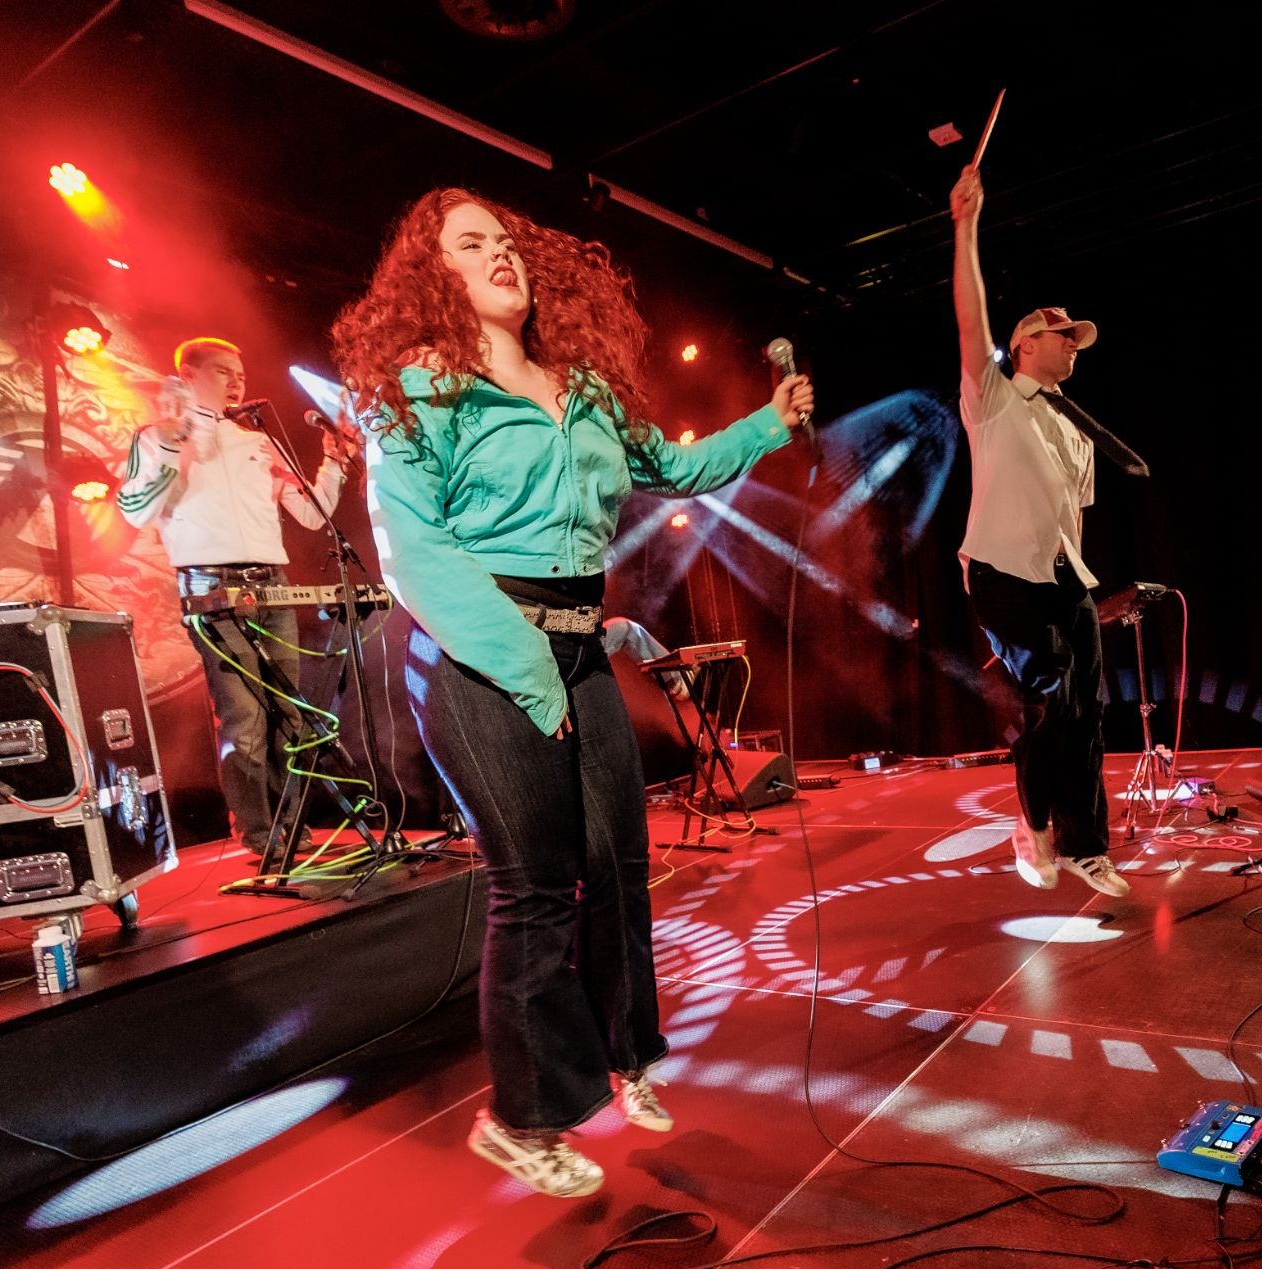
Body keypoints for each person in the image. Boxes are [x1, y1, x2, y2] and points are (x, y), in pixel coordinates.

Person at [333, 188, 813, 1198]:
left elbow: (676, 468)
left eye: (506, 240)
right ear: (433, 275)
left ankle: (627, 1055)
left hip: (580, 643)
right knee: (537, 885)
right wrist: (524, 669)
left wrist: (768, 425)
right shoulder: (417, 391)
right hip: (476, 647)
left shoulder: (584, 387)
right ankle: (524, 1117)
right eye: (471, 244)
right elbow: (415, 552)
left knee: (620, 865)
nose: (498, 253)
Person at [949, 161, 1127, 898]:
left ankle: (1087, 845)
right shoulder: (993, 397)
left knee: (1089, 710)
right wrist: (966, 226)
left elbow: (1070, 521)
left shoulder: (1074, 428)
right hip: (1001, 572)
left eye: (1075, 337)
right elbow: (971, 319)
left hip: (1061, 579)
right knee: (1050, 696)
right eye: (1061, 335)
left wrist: (1082, 591)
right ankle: (1033, 826)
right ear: (1025, 344)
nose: (1072, 343)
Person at [117, 338, 354, 856]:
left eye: (241, 373)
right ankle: (257, 830)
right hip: (210, 584)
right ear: (188, 375)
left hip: (272, 582)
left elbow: (311, 514)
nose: (237, 382)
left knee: (289, 711)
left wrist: (334, 461)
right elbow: (134, 510)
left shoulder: (256, 440)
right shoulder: (156, 437)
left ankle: (293, 823)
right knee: (244, 716)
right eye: (223, 371)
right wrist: (176, 443)